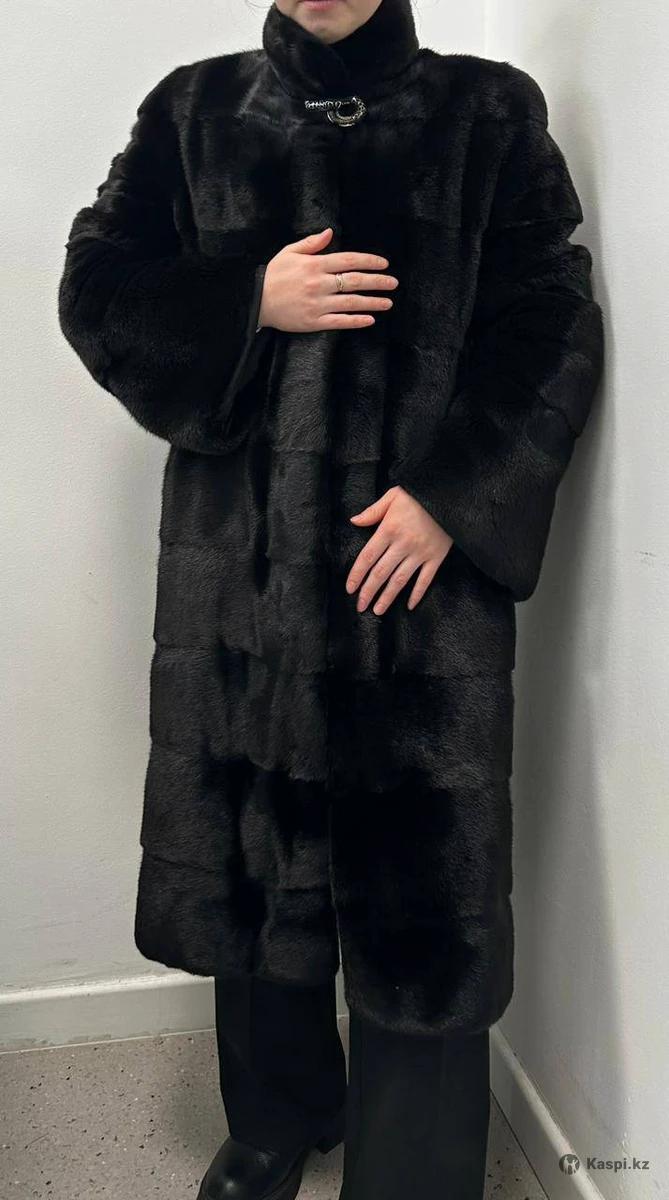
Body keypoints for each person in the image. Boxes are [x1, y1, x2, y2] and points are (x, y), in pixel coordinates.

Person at [57, 1, 605, 1197]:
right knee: (256, 866)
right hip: (238, 590)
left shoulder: (487, 113)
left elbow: (554, 321)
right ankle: (277, 1116)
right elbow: (95, 288)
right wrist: (245, 300)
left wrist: (455, 497)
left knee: (425, 898)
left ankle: (414, 1172)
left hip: (416, 592)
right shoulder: (194, 110)